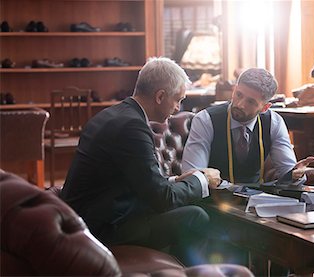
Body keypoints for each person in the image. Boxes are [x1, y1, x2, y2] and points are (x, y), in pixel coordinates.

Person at [61, 57, 221, 266]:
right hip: (102, 230)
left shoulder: (113, 114)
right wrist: (201, 178)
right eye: (177, 100)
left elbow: (140, 180)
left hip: (91, 217)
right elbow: (161, 198)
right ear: (160, 96)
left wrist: (175, 180)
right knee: (196, 216)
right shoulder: (132, 127)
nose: (177, 108)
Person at [182, 67, 314, 186]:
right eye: (239, 94)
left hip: (257, 203)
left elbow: (288, 173)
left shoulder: (273, 122)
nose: (240, 104)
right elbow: (193, 177)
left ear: (265, 107)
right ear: (234, 89)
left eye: (251, 102)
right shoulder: (205, 120)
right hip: (214, 203)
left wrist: (296, 175)